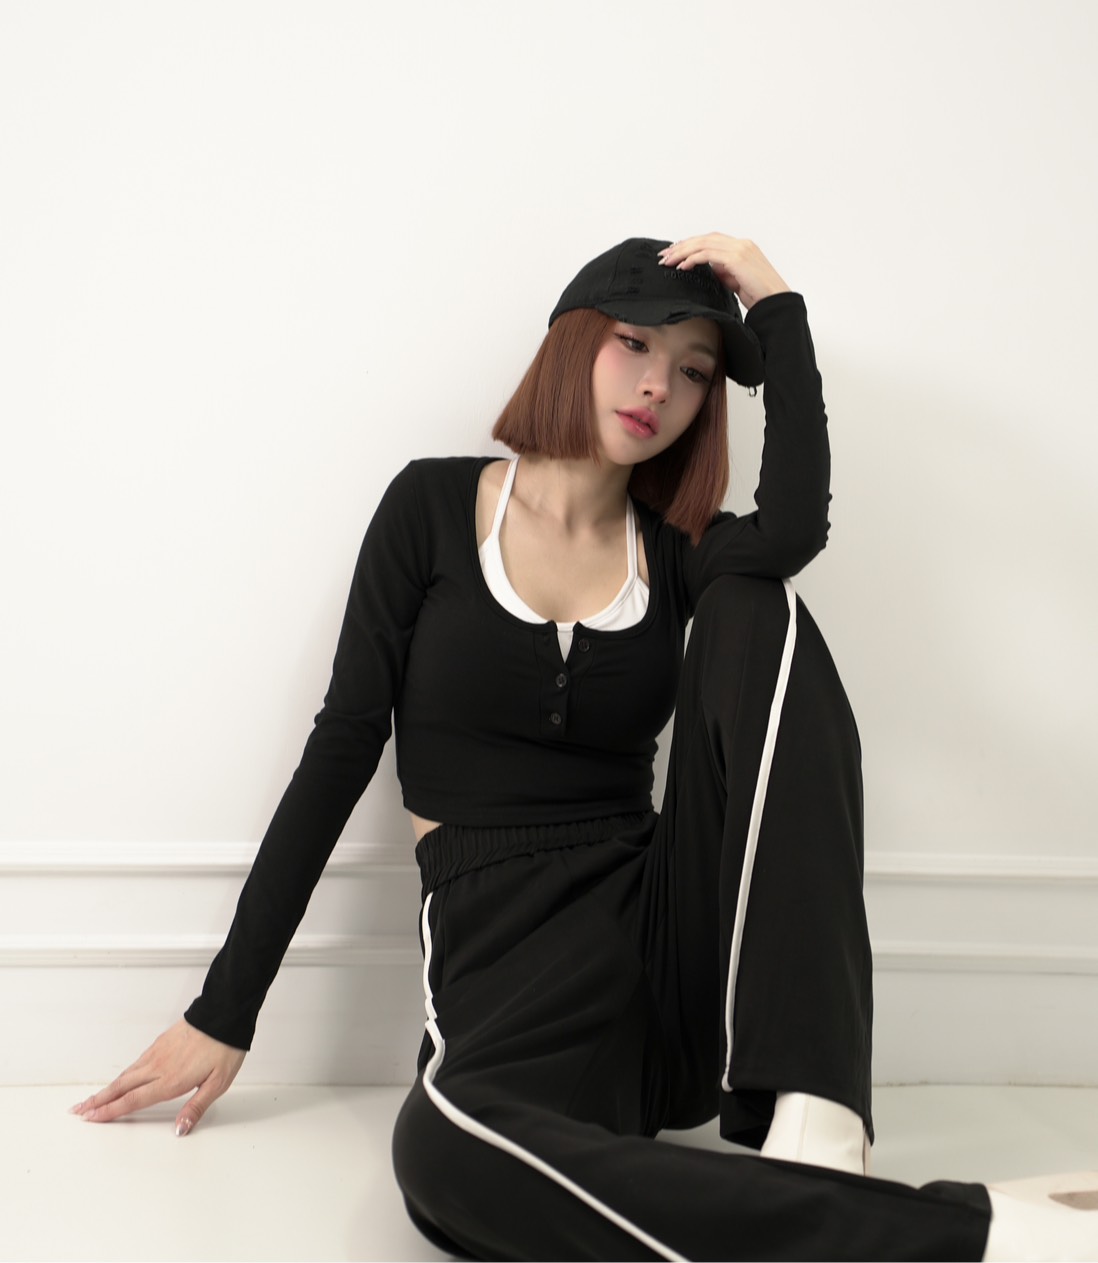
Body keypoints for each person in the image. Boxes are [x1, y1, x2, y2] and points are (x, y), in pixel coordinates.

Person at [72, 234, 1096, 1260]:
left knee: (762, 608)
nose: (659, 387)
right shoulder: (428, 511)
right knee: (443, 1151)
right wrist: (227, 1009)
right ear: (573, 341)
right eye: (635, 344)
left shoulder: (677, 551)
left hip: (665, 943)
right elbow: (340, 751)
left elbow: (789, 530)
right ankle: (984, 1237)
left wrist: (777, 305)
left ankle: (822, 1131)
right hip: (504, 967)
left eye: (693, 372)